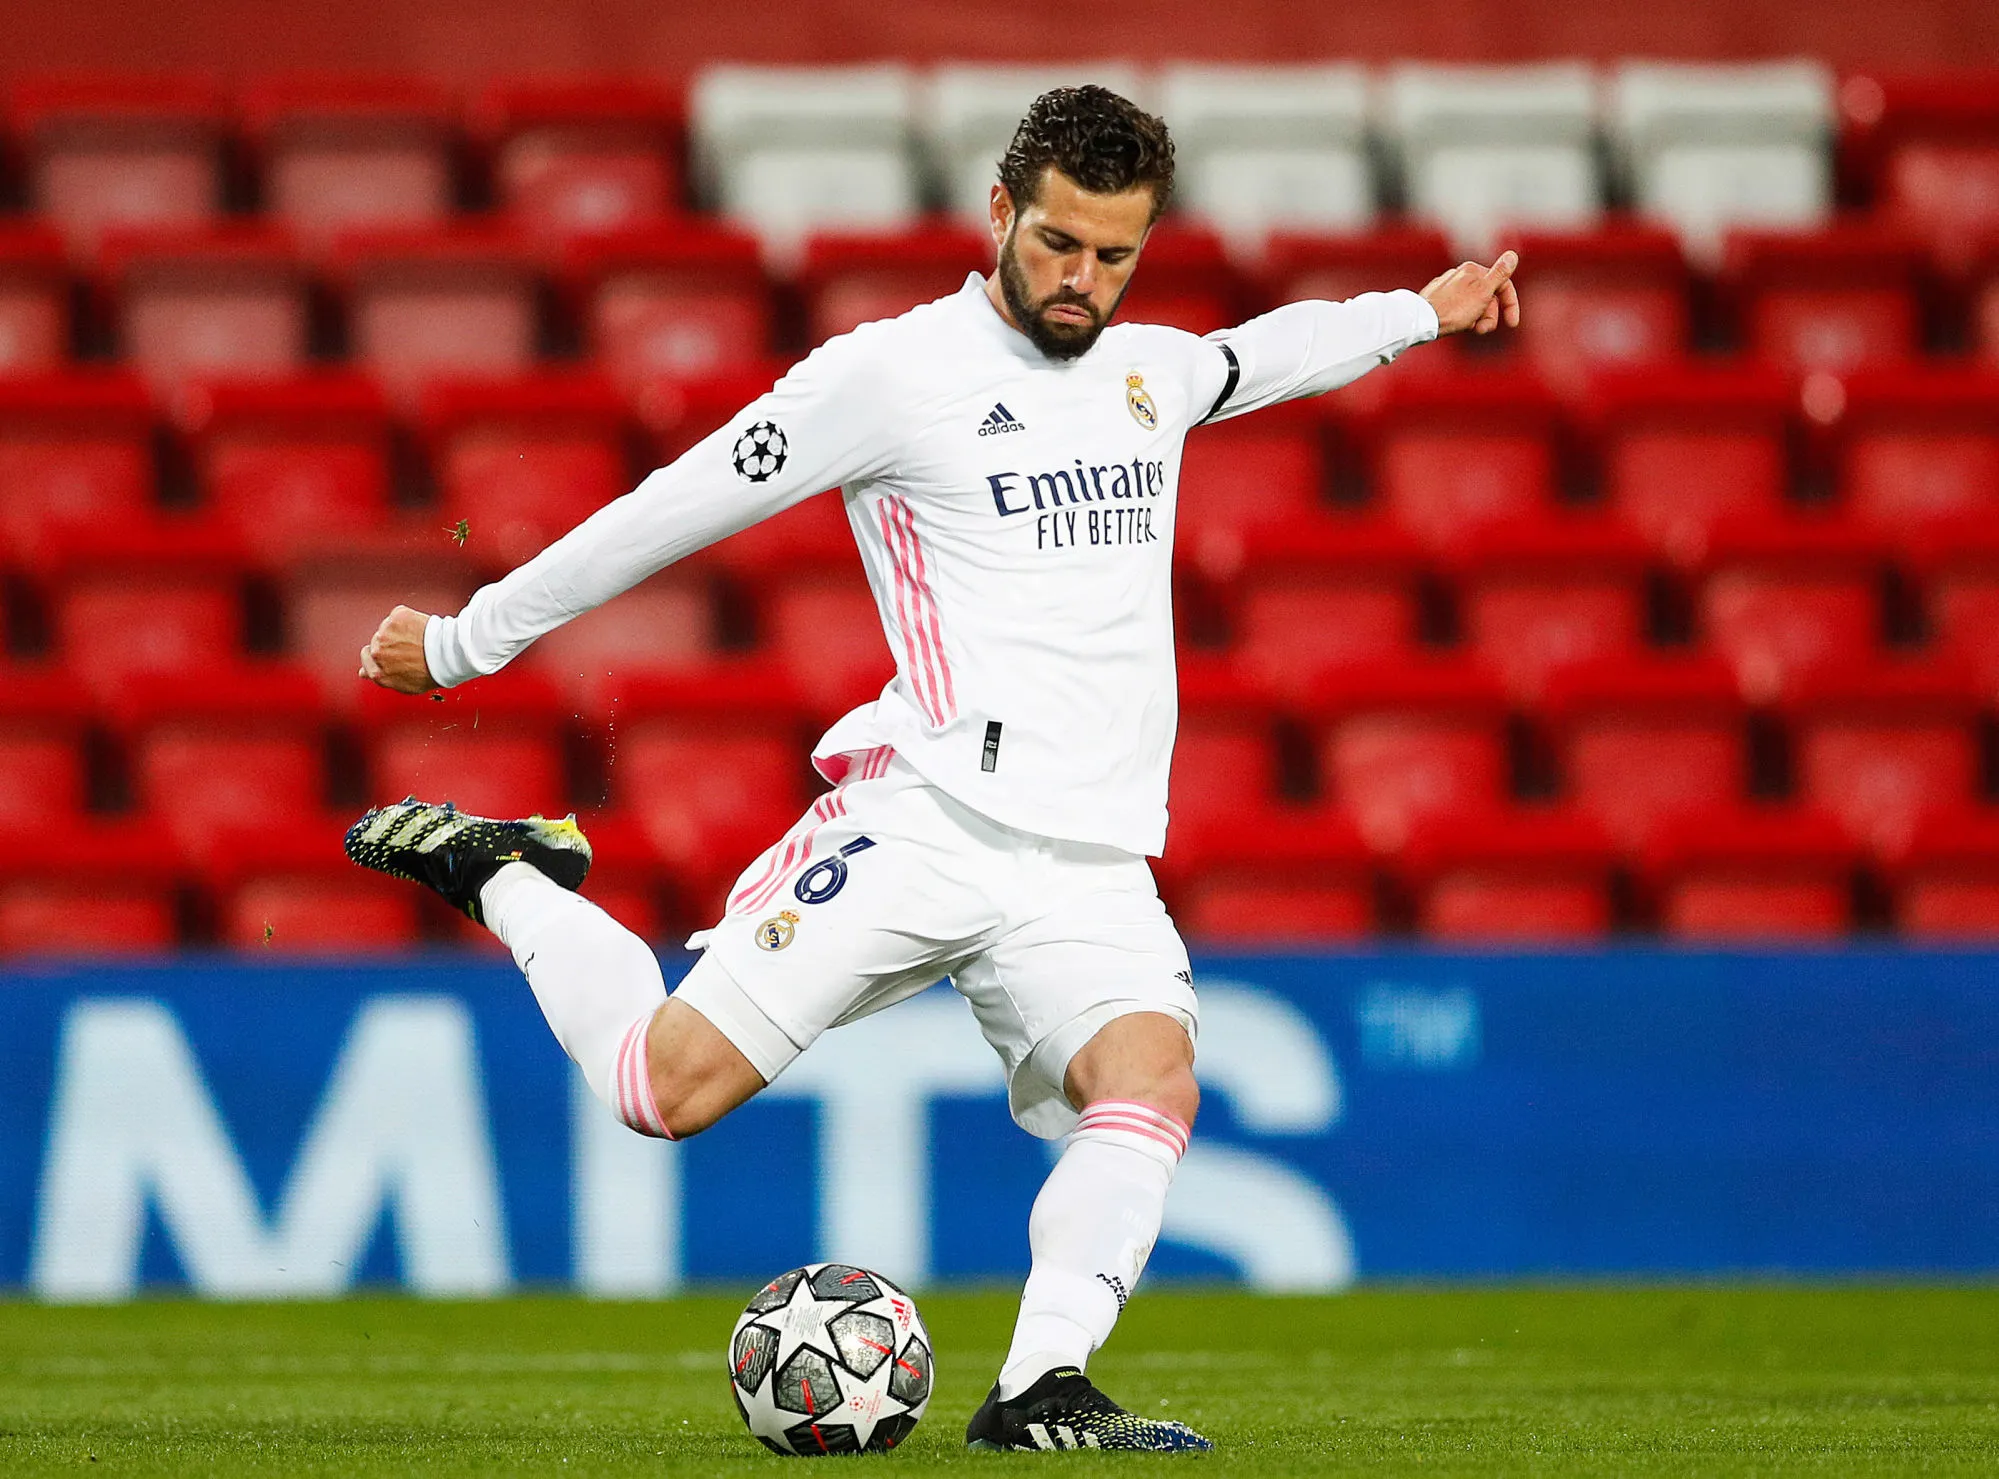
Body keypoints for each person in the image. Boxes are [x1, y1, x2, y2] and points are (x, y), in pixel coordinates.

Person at [346, 84, 1520, 1452]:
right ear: (999, 212)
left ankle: (1039, 1387)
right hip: (930, 820)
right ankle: (506, 874)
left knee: (1150, 1077)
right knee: (660, 1090)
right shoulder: (889, 375)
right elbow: (675, 504)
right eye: (1058, 243)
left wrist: (1415, 315)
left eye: (1114, 254)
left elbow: (1267, 353)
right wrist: (467, 639)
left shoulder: (1147, 373)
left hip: (1083, 860)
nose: (1081, 278)